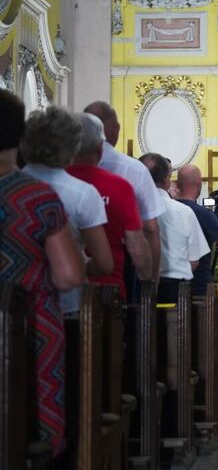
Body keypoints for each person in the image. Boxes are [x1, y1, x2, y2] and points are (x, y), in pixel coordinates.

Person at [0, 90, 84, 460]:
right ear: (19, 138)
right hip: (31, 328)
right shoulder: (37, 196)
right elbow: (68, 276)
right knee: (33, 428)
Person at [21, 106, 113, 314]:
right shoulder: (82, 194)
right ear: (72, 147)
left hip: (11, 302)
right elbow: (104, 264)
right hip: (63, 304)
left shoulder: (8, 186)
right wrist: (82, 263)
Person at [67, 113, 153, 299]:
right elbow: (136, 247)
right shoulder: (118, 186)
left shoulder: (51, 184)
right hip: (107, 291)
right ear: (99, 150)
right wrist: (148, 278)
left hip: (60, 289)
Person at [84, 101, 164, 286]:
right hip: (118, 269)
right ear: (115, 129)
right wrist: (151, 277)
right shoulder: (132, 172)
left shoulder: (64, 172)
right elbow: (151, 227)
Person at [140, 153, 209, 303]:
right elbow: (194, 261)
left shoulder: (134, 208)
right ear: (167, 180)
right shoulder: (184, 212)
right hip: (177, 289)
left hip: (140, 285)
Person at [175, 164, 218, 296]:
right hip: (198, 285)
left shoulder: (170, 208)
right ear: (199, 184)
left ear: (177, 184)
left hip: (172, 285)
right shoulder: (203, 214)